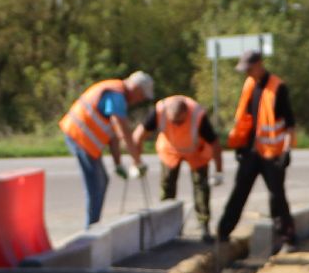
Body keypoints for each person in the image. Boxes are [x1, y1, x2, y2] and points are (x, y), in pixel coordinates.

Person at [216, 50, 296, 248]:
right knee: (239, 192)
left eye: (249, 69)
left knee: (277, 197)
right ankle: (223, 234)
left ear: (259, 64)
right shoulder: (249, 84)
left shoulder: (278, 87)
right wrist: (239, 145)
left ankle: (287, 239)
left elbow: (289, 124)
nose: (247, 73)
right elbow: (245, 118)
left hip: (272, 154)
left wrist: (286, 151)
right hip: (250, 151)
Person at [59, 71, 154, 226]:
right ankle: (91, 229)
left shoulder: (118, 95)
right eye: (142, 95)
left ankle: (94, 225)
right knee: (96, 185)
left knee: (102, 181)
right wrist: (137, 161)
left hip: (85, 141)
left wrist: (118, 164)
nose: (140, 100)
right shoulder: (117, 95)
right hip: (79, 136)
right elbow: (123, 131)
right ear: (136, 88)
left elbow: (113, 135)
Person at [134, 94, 224, 242]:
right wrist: (137, 163)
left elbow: (215, 144)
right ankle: (166, 226)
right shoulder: (160, 111)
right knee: (167, 186)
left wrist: (219, 171)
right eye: (173, 122)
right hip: (170, 150)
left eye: (179, 121)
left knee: (201, 187)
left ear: (186, 113)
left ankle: (204, 224)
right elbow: (138, 136)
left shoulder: (198, 115)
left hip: (196, 151)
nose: (176, 125)